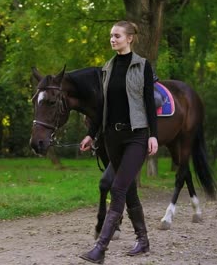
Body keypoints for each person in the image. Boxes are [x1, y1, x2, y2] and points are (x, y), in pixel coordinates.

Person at [79, 20, 158, 264]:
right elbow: (103, 105)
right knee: (128, 189)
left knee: (117, 187)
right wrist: (92, 133)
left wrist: (153, 135)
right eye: (111, 36)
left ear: (130, 38)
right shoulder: (108, 67)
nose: (113, 40)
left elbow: (148, 102)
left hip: (136, 135)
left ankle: (100, 248)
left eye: (117, 36)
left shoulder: (143, 66)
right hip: (112, 137)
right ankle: (143, 240)